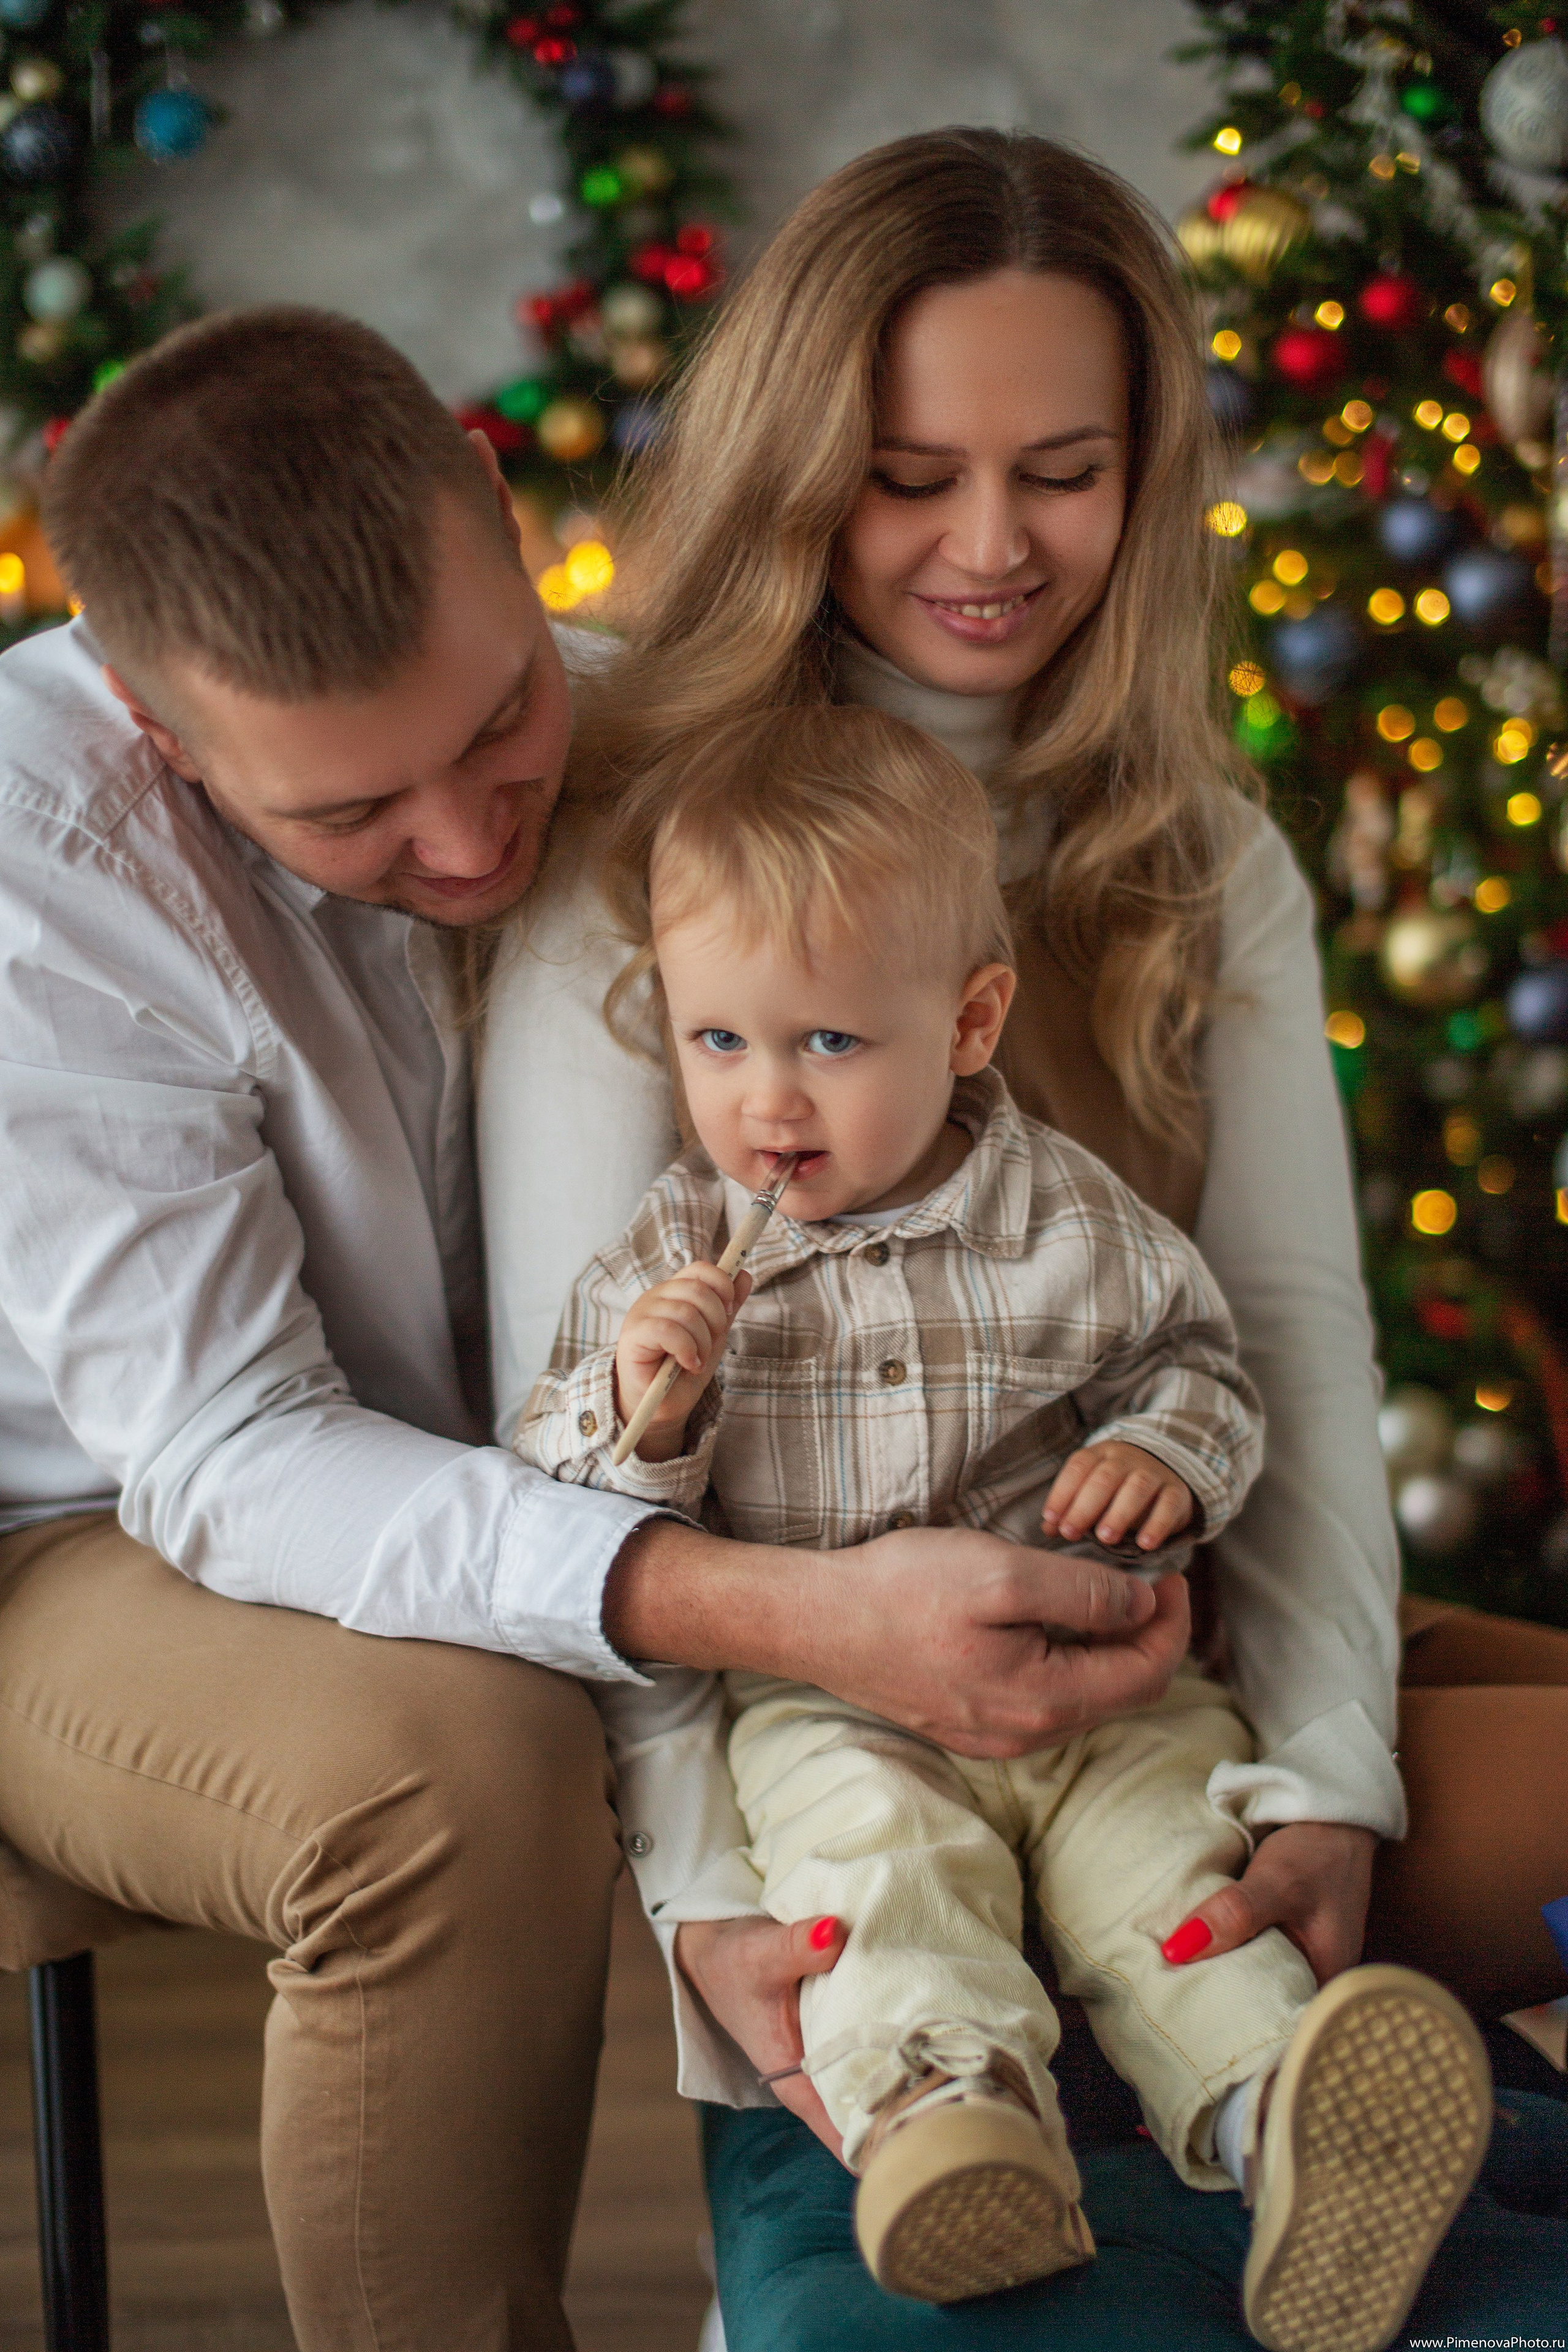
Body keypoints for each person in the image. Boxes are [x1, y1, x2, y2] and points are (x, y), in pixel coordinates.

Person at [0, 304, 1188, 2352]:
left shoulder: (659, 724)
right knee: (453, 1770)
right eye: (350, 819)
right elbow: (228, 1455)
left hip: (571, 1451)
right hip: (86, 1524)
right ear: (158, 732)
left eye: (497, 726)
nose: (474, 843)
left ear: (496, 504)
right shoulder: (42, 882)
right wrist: (795, 1616)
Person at [478, 132, 1568, 2111]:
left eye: (1063, 471)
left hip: (1157, 1691)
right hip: (849, 1780)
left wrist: (1329, 1773)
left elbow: (1287, 1335)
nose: (991, 546)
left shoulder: (1202, 852)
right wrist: (704, 1892)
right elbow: (569, 1453)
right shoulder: (637, 859)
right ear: (804, 472)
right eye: (912, 477)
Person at [513, 704, 1493, 2351]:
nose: (767, 1100)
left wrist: (1164, 1457)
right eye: (719, 1041)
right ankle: (949, 2130)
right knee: (872, 1884)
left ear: (970, 1023)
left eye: (830, 1042)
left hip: (1108, 1691)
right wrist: (643, 1409)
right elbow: (555, 1498)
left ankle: (1288, 2123)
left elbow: (1206, 1370)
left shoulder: (1074, 1222)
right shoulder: (666, 1255)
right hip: (831, 1707)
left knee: (1169, 1872)